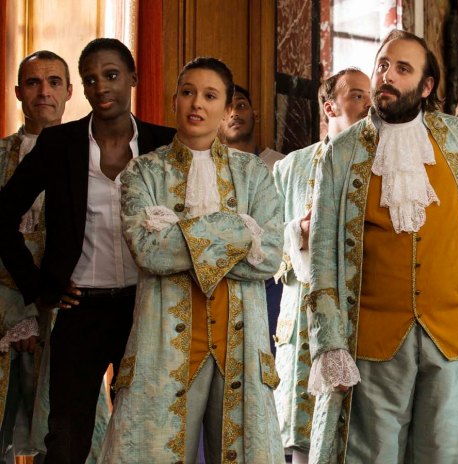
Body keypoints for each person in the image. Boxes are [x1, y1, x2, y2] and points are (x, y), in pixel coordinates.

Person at [306, 29, 458, 463]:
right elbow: (322, 254)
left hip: (453, 335)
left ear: (426, 87)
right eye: (382, 65)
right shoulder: (341, 152)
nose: (386, 76)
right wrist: (329, 342)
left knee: (447, 456)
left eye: (402, 69)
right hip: (371, 342)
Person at [98, 57, 284, 463]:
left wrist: (179, 231)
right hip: (162, 342)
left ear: (227, 108)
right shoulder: (143, 172)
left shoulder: (254, 173)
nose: (196, 103)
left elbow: (269, 255)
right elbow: (149, 250)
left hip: (240, 343)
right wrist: (237, 229)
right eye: (187, 92)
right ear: (175, 100)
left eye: (210, 95)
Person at [0, 38, 176, 464]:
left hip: (145, 309)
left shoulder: (164, 145)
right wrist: (39, 286)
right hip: (80, 310)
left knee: (145, 436)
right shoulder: (60, 144)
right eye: (91, 79)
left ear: (133, 77)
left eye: (111, 75)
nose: (102, 87)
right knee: (65, 440)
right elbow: (2, 216)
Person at [272, 67, 370, 464]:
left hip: (361, 309)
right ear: (330, 107)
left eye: (370, 96)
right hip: (302, 315)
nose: (368, 104)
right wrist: (298, 232)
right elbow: (263, 243)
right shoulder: (290, 168)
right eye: (358, 95)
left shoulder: (380, 165)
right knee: (303, 435)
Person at [0, 50, 73, 464]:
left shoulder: (90, 156)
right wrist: (19, 313)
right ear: (17, 92)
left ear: (69, 92)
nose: (43, 91)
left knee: (64, 433)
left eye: (53, 82)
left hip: (67, 310)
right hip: (2, 308)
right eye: (33, 82)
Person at [221, 84, 285, 356]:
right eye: (227, 109)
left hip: (272, 279)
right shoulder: (211, 168)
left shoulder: (281, 164)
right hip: (225, 277)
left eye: (241, 105)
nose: (235, 113)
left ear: (254, 113)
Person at [221, 84, 285, 170]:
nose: (234, 113)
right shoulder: (206, 169)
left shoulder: (284, 166)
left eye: (241, 105)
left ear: (255, 115)